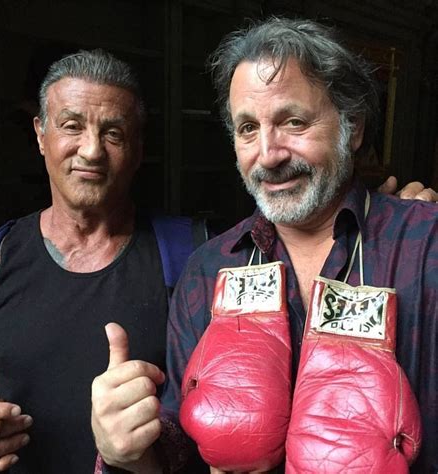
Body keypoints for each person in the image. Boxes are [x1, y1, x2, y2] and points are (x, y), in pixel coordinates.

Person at [91, 17, 437, 474]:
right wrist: (128, 450)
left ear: (351, 128)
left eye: (293, 122)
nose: (268, 154)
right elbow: (181, 449)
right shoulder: (208, 269)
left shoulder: (426, 248)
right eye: (247, 128)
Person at [0, 49, 208, 473]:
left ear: (137, 148)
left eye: (113, 133)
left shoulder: (196, 259)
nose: (92, 151)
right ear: (40, 134)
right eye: (71, 126)